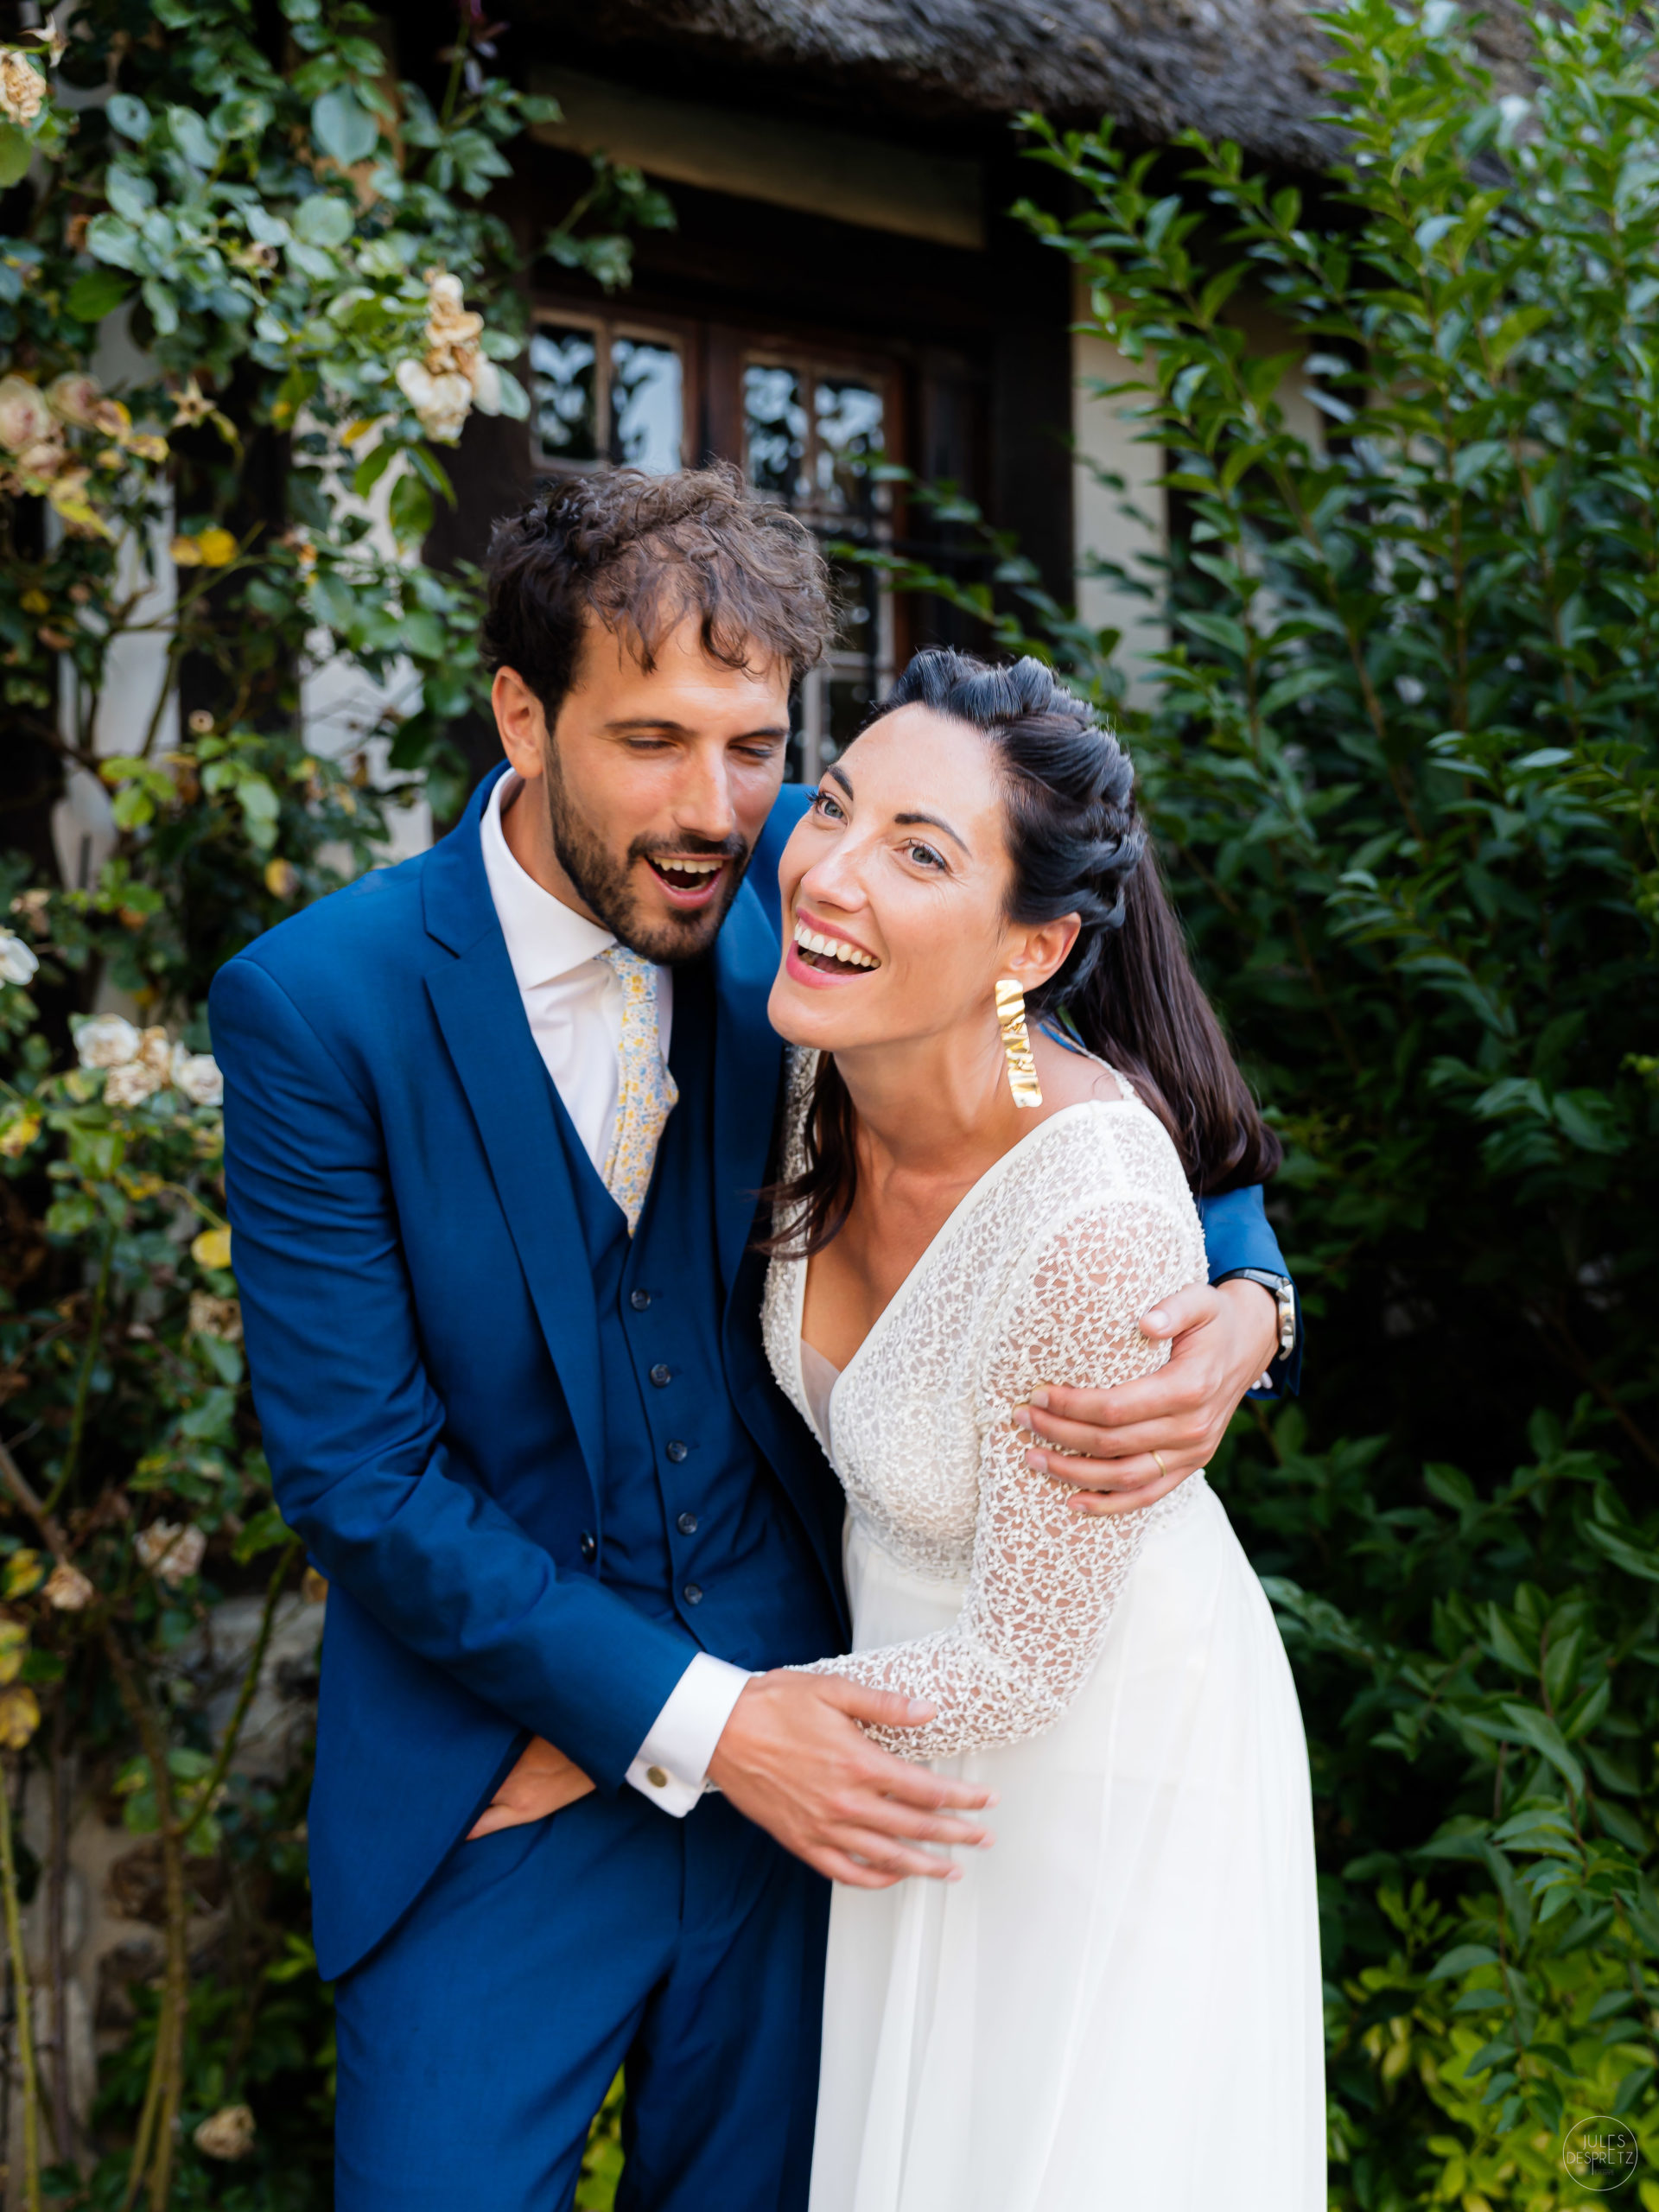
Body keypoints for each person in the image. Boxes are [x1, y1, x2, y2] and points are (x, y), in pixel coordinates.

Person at [208, 467, 1300, 2212]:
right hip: (509, 1786)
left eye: (754, 747)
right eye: (651, 740)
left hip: (831, 1799)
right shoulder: (321, 1005)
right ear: (522, 714)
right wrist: (699, 1719)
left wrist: (1247, 1302)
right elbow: (360, 1478)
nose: (715, 809)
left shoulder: (820, 890)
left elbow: (1112, 1079)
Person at [760, 647, 1324, 2212]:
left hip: (1089, 1739)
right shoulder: (825, 1014)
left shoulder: (1088, 1215)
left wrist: (675, 1728)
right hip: (905, 1718)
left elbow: (1021, 1666)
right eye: (833, 806)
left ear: (1035, 947)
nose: (830, 870)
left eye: (920, 852)